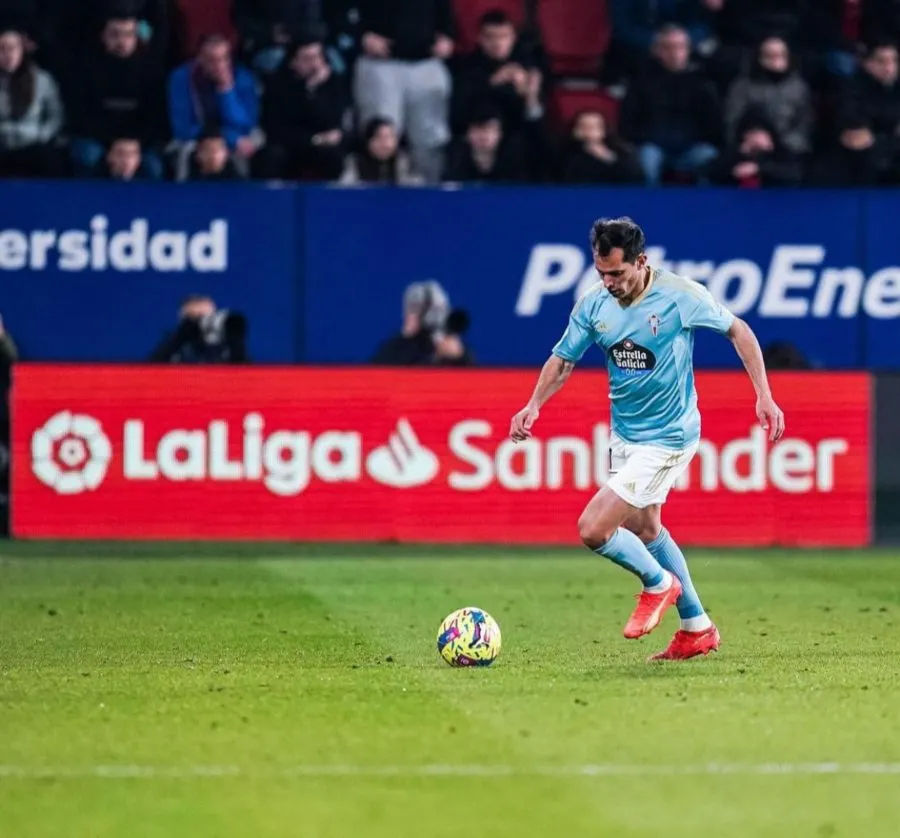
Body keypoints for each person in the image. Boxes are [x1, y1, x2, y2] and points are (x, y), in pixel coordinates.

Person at [509, 217, 784, 661]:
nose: (608, 282)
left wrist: (765, 397)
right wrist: (533, 404)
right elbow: (563, 360)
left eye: (616, 273)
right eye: (601, 273)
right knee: (645, 526)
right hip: (627, 435)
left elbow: (739, 331)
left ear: (641, 261)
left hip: (671, 435)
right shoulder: (594, 305)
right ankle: (697, 627)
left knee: (594, 528)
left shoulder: (681, 297)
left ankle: (659, 583)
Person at [354, 0, 455, 183]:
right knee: (380, 136)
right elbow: (338, 10)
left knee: (430, 141)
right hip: (380, 63)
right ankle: (372, 197)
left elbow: (444, 9)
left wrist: (447, 35)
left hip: (427, 62)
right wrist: (362, 35)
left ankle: (431, 199)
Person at [620, 25, 722, 185]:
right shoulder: (641, 81)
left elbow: (713, 124)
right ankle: (647, 208)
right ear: (657, 50)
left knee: (710, 157)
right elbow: (628, 120)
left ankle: (705, 209)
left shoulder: (702, 83)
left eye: (680, 47)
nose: (675, 53)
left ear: (688, 50)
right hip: (653, 146)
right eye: (668, 48)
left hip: (691, 148)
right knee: (646, 160)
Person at [69, 15, 166, 179]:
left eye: (128, 34)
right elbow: (80, 116)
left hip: (138, 141)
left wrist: (132, 146)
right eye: (115, 34)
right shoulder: (85, 68)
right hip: (99, 139)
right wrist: (112, 144)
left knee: (153, 165)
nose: (121, 41)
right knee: (87, 155)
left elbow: (156, 117)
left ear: (137, 37)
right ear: (104, 36)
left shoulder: (152, 70)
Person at [168, 34, 261, 179]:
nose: (218, 65)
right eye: (211, 60)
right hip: (196, 137)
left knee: (249, 147)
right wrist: (224, 139)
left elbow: (245, 123)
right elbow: (182, 126)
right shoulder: (181, 78)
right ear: (199, 58)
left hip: (238, 136)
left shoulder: (244, 78)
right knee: (187, 151)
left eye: (223, 59)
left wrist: (226, 90)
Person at [258, 33, 348, 181]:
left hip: (320, 146)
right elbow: (275, 128)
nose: (315, 64)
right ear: (293, 61)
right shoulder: (277, 84)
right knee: (271, 157)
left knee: (334, 156)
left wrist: (313, 92)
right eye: (307, 58)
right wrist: (314, 139)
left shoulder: (332, 83)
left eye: (318, 57)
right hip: (290, 145)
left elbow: (332, 122)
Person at [724, 36, 814, 156]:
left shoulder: (799, 87)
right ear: (760, 57)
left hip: (788, 152)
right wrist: (749, 139)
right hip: (748, 148)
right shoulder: (742, 86)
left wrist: (777, 143)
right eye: (770, 55)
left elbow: (804, 127)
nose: (776, 59)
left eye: (781, 54)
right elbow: (732, 121)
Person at [0, 27, 64, 177]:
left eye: (13, 48)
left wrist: (41, 136)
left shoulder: (42, 80)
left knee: (50, 160)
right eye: (2, 49)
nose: (8, 54)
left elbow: (55, 116)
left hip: (33, 143)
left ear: (22, 50)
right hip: (2, 143)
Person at [443, 105, 530, 183]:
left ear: (500, 134)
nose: (483, 135)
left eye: (489, 129)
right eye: (478, 129)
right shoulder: (456, 160)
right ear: (468, 134)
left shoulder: (512, 162)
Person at [149, 294, 248, 363]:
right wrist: (186, 332)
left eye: (204, 317)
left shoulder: (226, 346)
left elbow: (244, 372)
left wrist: (233, 335)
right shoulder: (177, 345)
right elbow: (150, 369)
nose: (201, 322)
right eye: (196, 317)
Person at [709, 115, 803, 186]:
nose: (755, 138)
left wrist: (759, 168)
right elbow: (711, 173)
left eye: (759, 132)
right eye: (751, 133)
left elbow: (796, 174)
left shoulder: (781, 153)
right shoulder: (734, 154)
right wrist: (739, 154)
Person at [371, 280, 449, 365]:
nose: (409, 315)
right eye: (411, 309)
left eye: (416, 309)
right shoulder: (395, 349)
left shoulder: (451, 350)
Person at [561, 110, 643, 184]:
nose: (588, 130)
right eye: (583, 126)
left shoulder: (620, 150)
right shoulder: (564, 151)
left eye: (594, 126)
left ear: (604, 130)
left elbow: (636, 178)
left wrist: (608, 157)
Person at [339, 117, 422, 185]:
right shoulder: (354, 163)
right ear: (368, 141)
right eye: (379, 138)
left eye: (390, 137)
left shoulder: (403, 163)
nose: (385, 144)